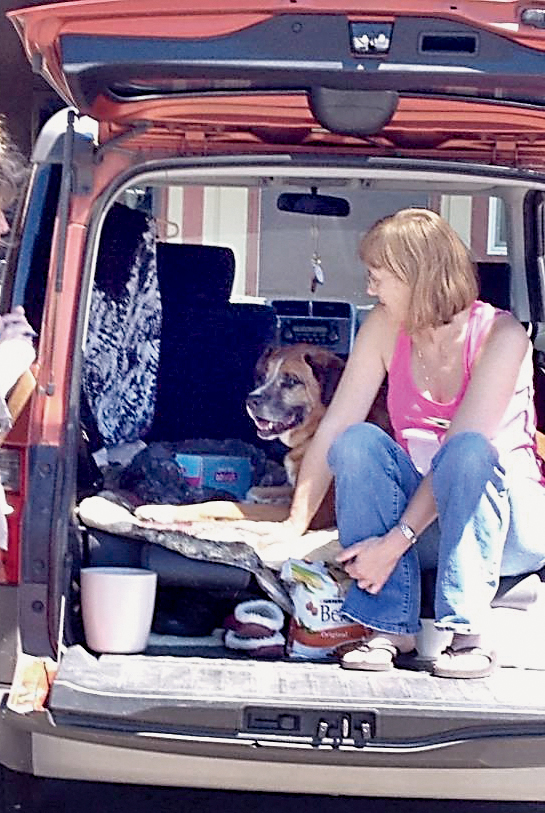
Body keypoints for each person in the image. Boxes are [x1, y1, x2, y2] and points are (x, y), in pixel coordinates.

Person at [271, 206, 545, 679]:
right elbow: (335, 425)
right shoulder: (384, 326)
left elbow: (462, 452)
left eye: (377, 277)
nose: (369, 289)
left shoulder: (502, 335)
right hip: (426, 523)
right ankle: (387, 629)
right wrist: (296, 523)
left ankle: (469, 635)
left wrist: (392, 544)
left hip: (505, 528)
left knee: (466, 451)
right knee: (357, 441)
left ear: (416, 277)